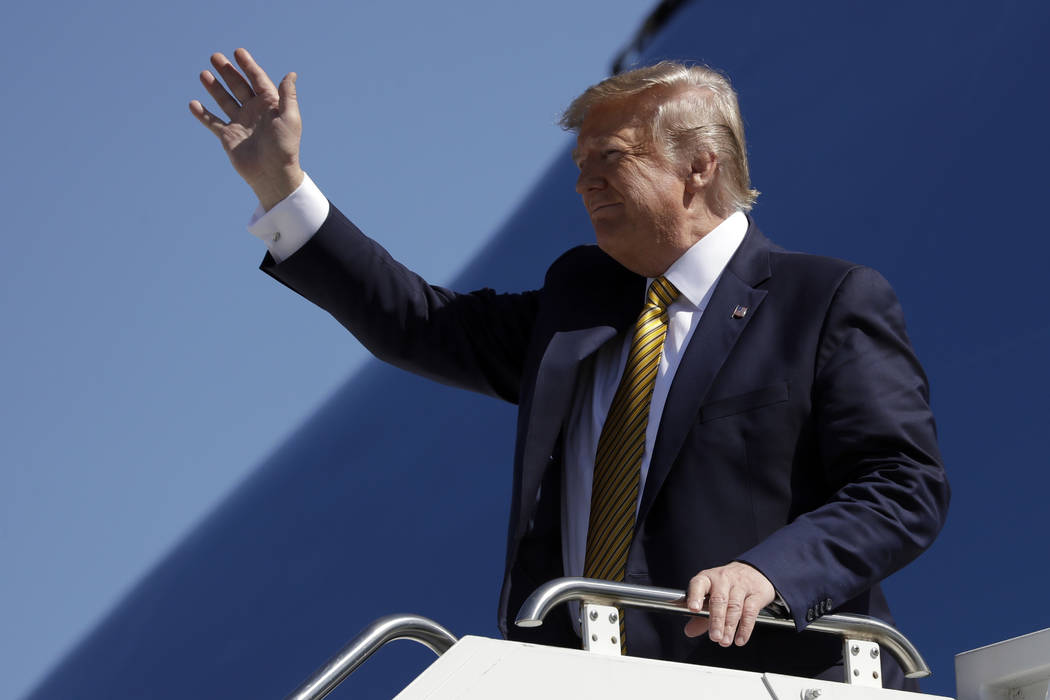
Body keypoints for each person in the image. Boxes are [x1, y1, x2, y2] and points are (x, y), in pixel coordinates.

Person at [190, 49, 949, 687]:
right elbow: (418, 324)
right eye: (579, 163)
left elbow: (902, 487)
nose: (582, 182)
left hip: (754, 681)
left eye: (608, 160)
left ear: (698, 166)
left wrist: (771, 575)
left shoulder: (823, 301)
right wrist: (280, 185)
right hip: (574, 681)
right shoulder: (579, 304)